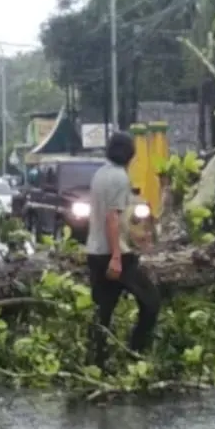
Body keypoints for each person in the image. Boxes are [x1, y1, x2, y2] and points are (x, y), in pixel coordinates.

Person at [86, 132, 161, 368]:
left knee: (103, 310)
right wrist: (117, 257)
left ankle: (97, 362)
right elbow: (112, 218)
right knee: (151, 302)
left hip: (95, 252)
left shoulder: (99, 174)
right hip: (114, 255)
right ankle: (135, 352)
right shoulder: (119, 177)